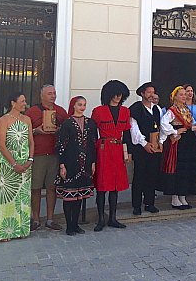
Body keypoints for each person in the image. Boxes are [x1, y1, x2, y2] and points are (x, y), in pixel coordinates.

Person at [0, 92, 34, 242]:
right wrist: (14, 164)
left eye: (25, 101)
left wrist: (30, 160)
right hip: (8, 165)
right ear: (13, 103)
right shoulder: (3, 120)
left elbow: (31, 141)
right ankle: (5, 231)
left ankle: (22, 228)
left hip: (25, 164)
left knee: (22, 198)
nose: (25, 104)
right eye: (22, 101)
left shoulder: (27, 119)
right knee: (7, 198)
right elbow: (1, 145)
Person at [25, 84, 68, 232]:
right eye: (50, 93)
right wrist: (36, 131)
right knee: (35, 188)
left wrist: (60, 130)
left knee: (52, 187)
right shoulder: (32, 112)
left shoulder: (61, 112)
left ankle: (50, 219)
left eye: (54, 93)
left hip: (54, 155)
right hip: (37, 155)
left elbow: (68, 131)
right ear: (42, 95)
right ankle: (35, 219)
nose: (53, 96)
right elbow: (23, 131)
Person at [91, 80, 131, 231]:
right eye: (115, 94)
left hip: (118, 149)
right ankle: (101, 218)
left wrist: (127, 153)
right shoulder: (99, 111)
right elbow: (93, 134)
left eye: (120, 94)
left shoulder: (125, 111)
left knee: (115, 186)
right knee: (102, 186)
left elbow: (126, 134)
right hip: (103, 149)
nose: (118, 97)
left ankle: (113, 218)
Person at [55, 96, 96, 235]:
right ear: (74, 105)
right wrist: (62, 165)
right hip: (70, 163)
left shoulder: (90, 123)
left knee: (79, 196)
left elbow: (93, 144)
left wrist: (93, 162)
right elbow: (61, 146)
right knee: (70, 196)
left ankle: (76, 224)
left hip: (85, 164)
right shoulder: (67, 124)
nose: (82, 107)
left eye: (84, 104)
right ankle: (69, 226)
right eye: (79, 104)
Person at [159, 86, 196, 209]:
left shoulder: (186, 110)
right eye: (181, 94)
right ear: (175, 97)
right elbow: (163, 124)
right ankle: (175, 197)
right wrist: (175, 132)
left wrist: (195, 127)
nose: (184, 96)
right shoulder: (172, 110)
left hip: (189, 142)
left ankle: (183, 195)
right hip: (179, 143)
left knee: (187, 169)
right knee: (178, 169)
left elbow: (191, 124)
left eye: (185, 94)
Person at [128, 82, 162, 216]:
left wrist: (160, 141)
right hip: (141, 149)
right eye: (148, 92)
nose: (151, 95)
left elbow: (160, 127)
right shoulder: (135, 109)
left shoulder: (156, 109)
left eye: (153, 92)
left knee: (152, 175)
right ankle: (136, 205)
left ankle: (150, 203)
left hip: (154, 147)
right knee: (139, 176)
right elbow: (134, 129)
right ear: (142, 93)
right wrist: (144, 144)